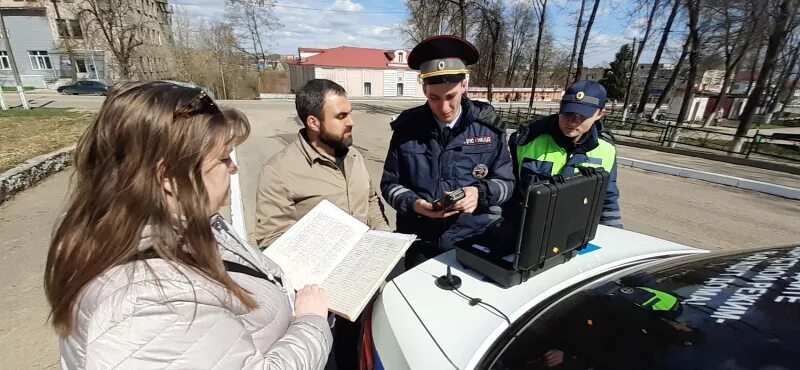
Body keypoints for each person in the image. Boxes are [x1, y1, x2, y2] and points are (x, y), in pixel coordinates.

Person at [45, 82, 331, 369]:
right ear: (168, 177)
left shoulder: (185, 221)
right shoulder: (146, 307)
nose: (234, 169)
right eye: (222, 159)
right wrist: (311, 323)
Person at [381, 35, 515, 269]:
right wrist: (414, 204)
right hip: (421, 241)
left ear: (464, 84)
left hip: (474, 240)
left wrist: (479, 193)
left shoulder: (490, 128)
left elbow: (508, 184)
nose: (444, 108)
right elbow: (389, 185)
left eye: (451, 96)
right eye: (434, 98)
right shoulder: (406, 130)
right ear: (424, 89)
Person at [255, 79, 390, 248]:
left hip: (366, 261)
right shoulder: (277, 172)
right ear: (314, 123)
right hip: (320, 272)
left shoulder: (354, 156)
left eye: (349, 113)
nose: (351, 122)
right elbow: (272, 240)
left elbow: (370, 200)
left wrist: (384, 235)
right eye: (341, 116)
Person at [510, 80, 623, 228]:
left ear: (600, 114)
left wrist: (615, 235)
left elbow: (607, 200)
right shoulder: (526, 141)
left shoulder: (606, 150)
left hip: (576, 232)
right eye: (567, 113)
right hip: (528, 230)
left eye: (582, 116)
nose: (572, 121)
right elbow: (509, 189)